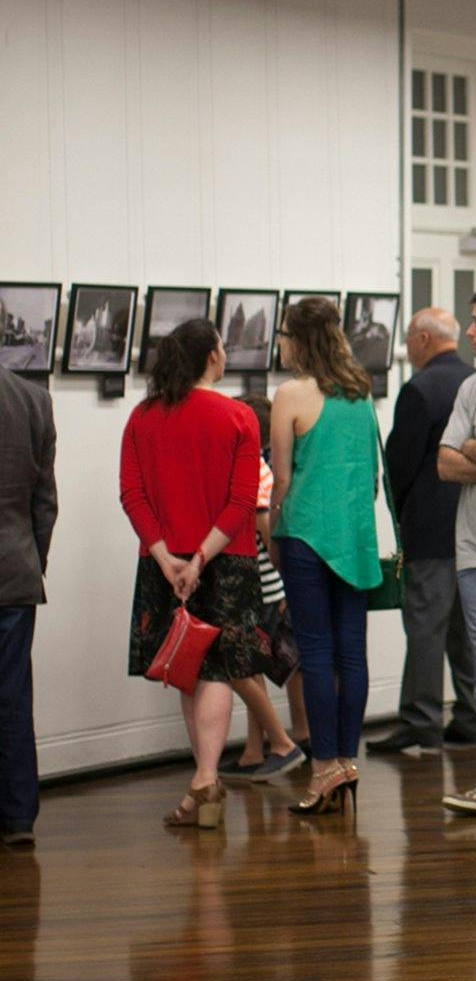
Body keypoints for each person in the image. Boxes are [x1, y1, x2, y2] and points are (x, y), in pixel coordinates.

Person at [118, 319, 266, 830]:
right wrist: (200, 560)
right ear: (211, 356)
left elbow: (132, 497)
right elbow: (243, 502)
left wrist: (168, 561)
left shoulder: (141, 417)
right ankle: (205, 779)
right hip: (226, 561)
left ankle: (204, 782)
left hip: (163, 562)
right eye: (222, 348)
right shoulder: (239, 416)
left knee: (188, 668)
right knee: (216, 669)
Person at [271, 296, 383, 816]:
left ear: (297, 338)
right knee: (352, 653)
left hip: (307, 536)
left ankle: (322, 771)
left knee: (315, 654)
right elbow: (371, 476)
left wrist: (273, 530)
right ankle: (347, 761)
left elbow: (283, 479)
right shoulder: (361, 394)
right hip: (355, 535)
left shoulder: (290, 395)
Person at [367, 310, 476, 755]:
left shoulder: (420, 390)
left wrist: (401, 511)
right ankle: (472, 716)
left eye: (411, 339)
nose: (408, 348)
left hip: (432, 531)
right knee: (466, 629)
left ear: (424, 339)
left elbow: (400, 464)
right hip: (473, 526)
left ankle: (421, 721)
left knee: (427, 628)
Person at [218, 389, 309, 782]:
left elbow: (263, 526)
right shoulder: (259, 467)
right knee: (251, 666)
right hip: (267, 585)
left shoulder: (253, 469)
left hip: (258, 586)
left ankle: (275, 744)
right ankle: (255, 750)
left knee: (246, 667)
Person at [0, 363, 57, 848]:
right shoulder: (33, 399)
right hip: (16, 570)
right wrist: (34, 559)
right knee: (14, 696)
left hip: (18, 570)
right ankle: (18, 816)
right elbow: (45, 501)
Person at [437, 290, 476, 817]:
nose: (470, 334)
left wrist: (473, 451)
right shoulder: (473, 386)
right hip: (474, 553)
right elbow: (445, 464)